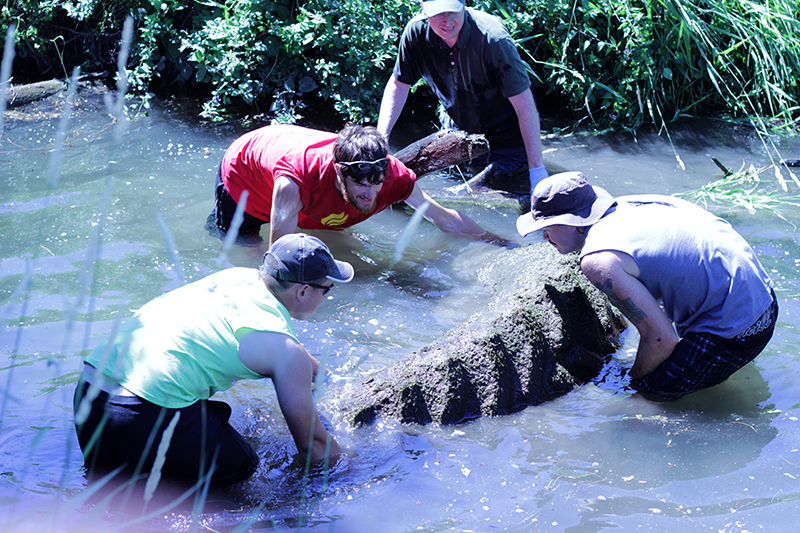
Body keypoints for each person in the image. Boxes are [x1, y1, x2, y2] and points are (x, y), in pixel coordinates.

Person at [73, 233, 354, 485]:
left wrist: (320, 372)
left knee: (106, 486)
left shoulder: (235, 278)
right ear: (303, 291)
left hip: (89, 396)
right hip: (141, 416)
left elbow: (272, 340)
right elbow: (313, 446)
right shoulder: (286, 350)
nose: (326, 297)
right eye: (326, 290)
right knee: (243, 467)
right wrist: (356, 471)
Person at [516, 172, 778, 401]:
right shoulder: (630, 204)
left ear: (574, 221)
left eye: (548, 226)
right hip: (766, 302)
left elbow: (663, 340)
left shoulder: (597, 260)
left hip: (737, 334)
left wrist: (633, 383)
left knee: (648, 393)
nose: (545, 236)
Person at [211, 123, 512, 247]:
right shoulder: (297, 179)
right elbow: (279, 254)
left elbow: (444, 218)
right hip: (244, 176)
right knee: (246, 246)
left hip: (303, 193)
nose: (370, 194)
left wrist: (499, 241)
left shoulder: (393, 176)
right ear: (340, 175)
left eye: (376, 183)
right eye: (360, 185)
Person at [377, 0, 547, 193]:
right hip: (457, 134)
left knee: (507, 188)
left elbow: (524, 104)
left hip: (508, 140)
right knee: (450, 186)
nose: (447, 21)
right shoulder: (415, 33)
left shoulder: (493, 39)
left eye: (453, 11)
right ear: (423, 9)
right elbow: (399, 84)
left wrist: (537, 171)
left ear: (464, 4)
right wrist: (381, 138)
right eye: (438, 13)